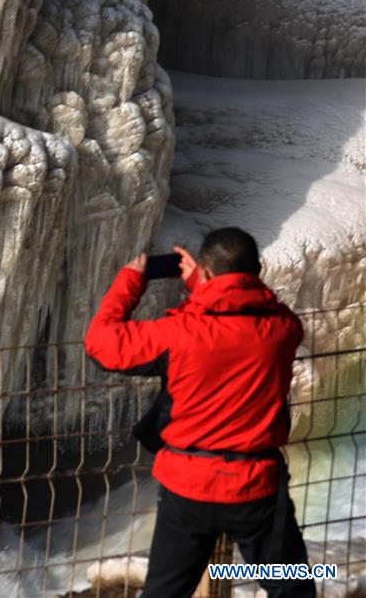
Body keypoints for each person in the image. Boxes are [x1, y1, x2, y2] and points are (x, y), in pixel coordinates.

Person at [84, 227, 314, 598]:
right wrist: (207, 283)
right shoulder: (282, 329)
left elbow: (100, 343)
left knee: (164, 592)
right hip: (255, 489)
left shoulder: (179, 333)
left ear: (207, 271)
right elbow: (258, 308)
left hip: (188, 488)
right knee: (291, 588)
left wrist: (131, 279)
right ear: (257, 271)